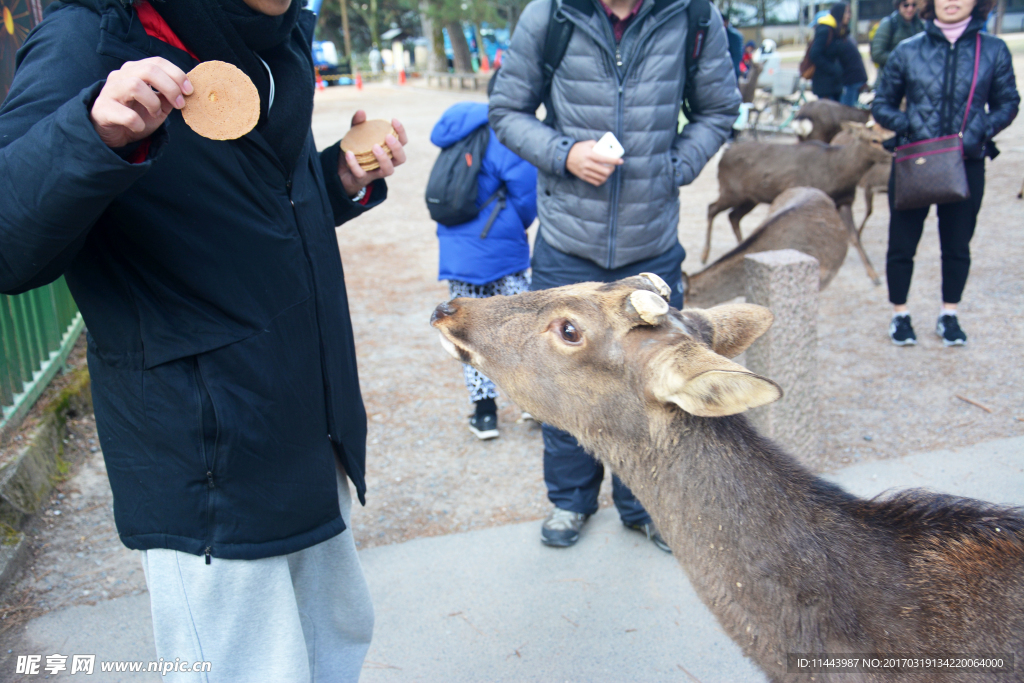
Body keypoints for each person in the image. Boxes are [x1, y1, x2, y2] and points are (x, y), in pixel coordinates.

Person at [0, 0, 408, 680]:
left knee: (336, 648)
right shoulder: (92, 37)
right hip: (206, 459)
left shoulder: (279, 38)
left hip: (310, 426)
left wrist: (336, 177)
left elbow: (254, 199)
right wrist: (91, 133)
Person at [489, 0, 740, 552]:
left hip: (649, 244)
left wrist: (673, 167)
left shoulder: (693, 17)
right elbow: (506, 111)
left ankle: (643, 503)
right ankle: (570, 500)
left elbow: (720, 109)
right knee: (559, 374)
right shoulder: (549, 15)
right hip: (567, 242)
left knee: (648, 384)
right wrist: (564, 153)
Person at [872, 0, 1018, 347]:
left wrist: (981, 129)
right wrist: (910, 125)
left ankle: (949, 313)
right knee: (902, 242)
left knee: (957, 244)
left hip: (966, 162)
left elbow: (1008, 101)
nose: (952, 1)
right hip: (915, 160)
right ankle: (900, 314)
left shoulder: (993, 50)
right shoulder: (907, 50)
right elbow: (881, 103)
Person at [432, 71, 538, 440]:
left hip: (458, 253)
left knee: (469, 332)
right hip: (502, 251)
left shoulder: (458, 128)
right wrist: (512, 230)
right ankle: (530, 402)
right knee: (520, 329)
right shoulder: (509, 134)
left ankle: (485, 413)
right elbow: (527, 198)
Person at [810, 2, 849, 101]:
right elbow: (815, 54)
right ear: (839, 13)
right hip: (825, 85)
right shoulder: (825, 30)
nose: (849, 16)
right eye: (847, 12)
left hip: (834, 83)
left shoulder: (837, 30)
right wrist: (833, 69)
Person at [871, 0, 925, 71]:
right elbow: (877, 55)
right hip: (891, 75)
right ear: (898, 5)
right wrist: (903, 58)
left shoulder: (920, 25)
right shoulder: (889, 24)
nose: (910, 9)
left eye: (913, 5)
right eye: (906, 5)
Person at [836, 30, 868, 106]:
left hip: (852, 80)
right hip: (856, 77)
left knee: (847, 111)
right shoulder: (846, 39)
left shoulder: (839, 41)